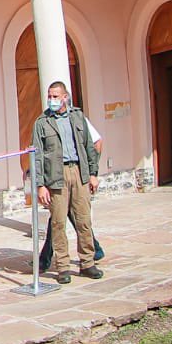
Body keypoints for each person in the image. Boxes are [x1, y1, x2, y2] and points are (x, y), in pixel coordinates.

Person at [32, 81, 104, 284]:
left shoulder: (77, 117)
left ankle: (88, 263)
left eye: (56, 96)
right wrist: (40, 185)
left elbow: (89, 146)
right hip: (56, 176)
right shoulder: (42, 122)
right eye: (50, 96)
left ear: (65, 97)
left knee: (83, 220)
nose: (52, 100)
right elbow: (37, 156)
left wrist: (93, 173)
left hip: (79, 172)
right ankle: (62, 266)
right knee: (58, 223)